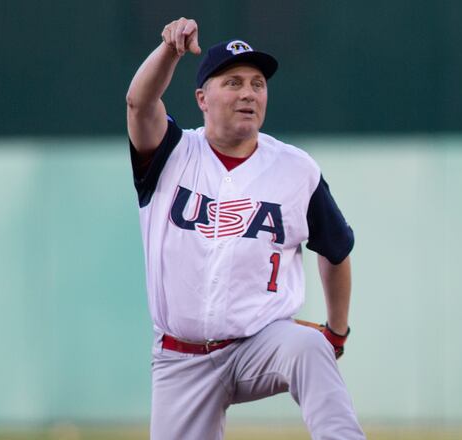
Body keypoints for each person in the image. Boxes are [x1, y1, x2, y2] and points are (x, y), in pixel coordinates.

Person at [125, 17, 366, 440]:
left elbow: (335, 249)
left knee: (311, 348)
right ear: (202, 97)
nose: (249, 94)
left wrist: (336, 331)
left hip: (261, 344)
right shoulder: (172, 154)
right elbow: (139, 104)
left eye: (258, 84)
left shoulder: (295, 169)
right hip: (182, 359)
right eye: (233, 83)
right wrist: (169, 51)